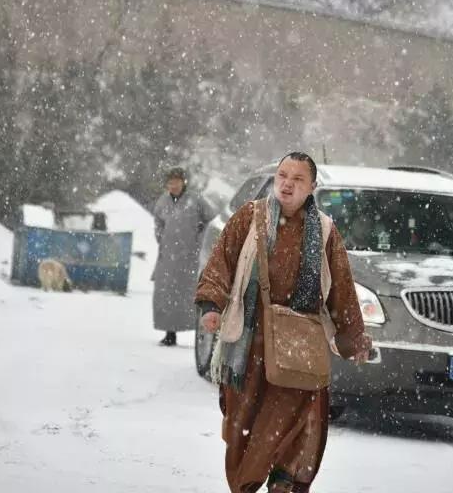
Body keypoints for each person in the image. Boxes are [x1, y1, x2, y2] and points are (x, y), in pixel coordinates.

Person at [195, 152, 371, 493]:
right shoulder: (250, 217)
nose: (287, 183)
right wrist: (211, 306)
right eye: (282, 175)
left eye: (298, 179)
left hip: (300, 350)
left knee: (298, 428)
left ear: (312, 188)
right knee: (242, 429)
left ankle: (284, 484)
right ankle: (245, 485)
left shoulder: (324, 231)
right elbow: (221, 263)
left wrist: (354, 337)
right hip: (249, 350)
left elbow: (342, 288)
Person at [152, 167, 215, 347]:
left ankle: (202, 336)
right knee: (167, 296)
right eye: (170, 182)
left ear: (183, 182)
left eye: (176, 181)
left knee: (191, 296)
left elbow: (210, 221)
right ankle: (169, 333)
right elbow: (157, 223)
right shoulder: (162, 201)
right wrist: (161, 238)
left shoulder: (195, 200)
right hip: (168, 256)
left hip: (190, 257)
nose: (173, 185)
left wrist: (199, 241)